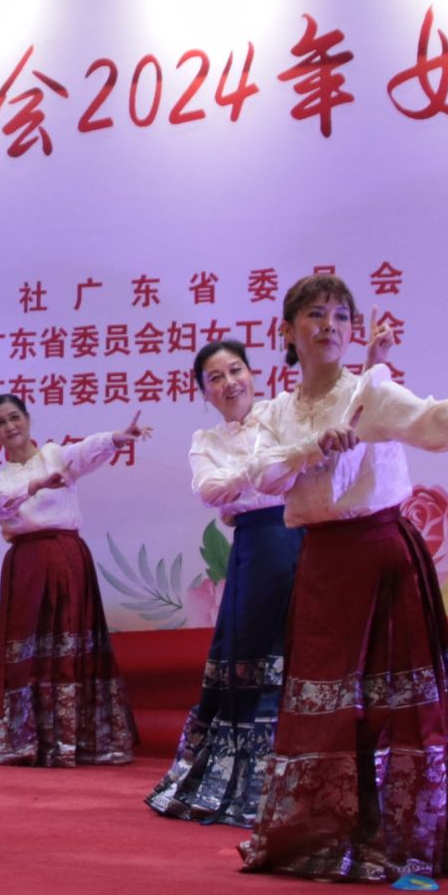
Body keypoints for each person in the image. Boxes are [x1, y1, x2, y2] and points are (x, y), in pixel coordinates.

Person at [239, 274, 448, 883]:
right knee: (325, 703)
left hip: (383, 557)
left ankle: (400, 840)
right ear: (286, 332)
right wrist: (313, 447)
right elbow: (263, 475)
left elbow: (428, 418)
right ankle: (323, 837)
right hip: (322, 565)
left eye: (340, 316)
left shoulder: (370, 391)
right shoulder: (273, 413)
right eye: (314, 314)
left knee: (394, 704)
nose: (329, 325)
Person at [146, 339, 301, 824]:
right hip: (256, 549)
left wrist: (251, 477)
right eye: (216, 378)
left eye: (236, 370)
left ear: (253, 374)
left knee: (308, 651)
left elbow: (305, 458)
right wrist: (265, 470)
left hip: (303, 539)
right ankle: (246, 783)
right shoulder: (205, 441)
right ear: (204, 392)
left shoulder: (283, 412)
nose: (230, 383)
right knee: (248, 654)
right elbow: (210, 490)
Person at [0, 395, 143, 766]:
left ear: (27, 419)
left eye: (14, 417)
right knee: (27, 648)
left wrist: (117, 438)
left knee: (70, 641)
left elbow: (86, 451)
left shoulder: (56, 455)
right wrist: (37, 484)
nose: (10, 427)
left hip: (67, 560)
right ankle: (24, 738)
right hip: (26, 567)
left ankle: (76, 739)